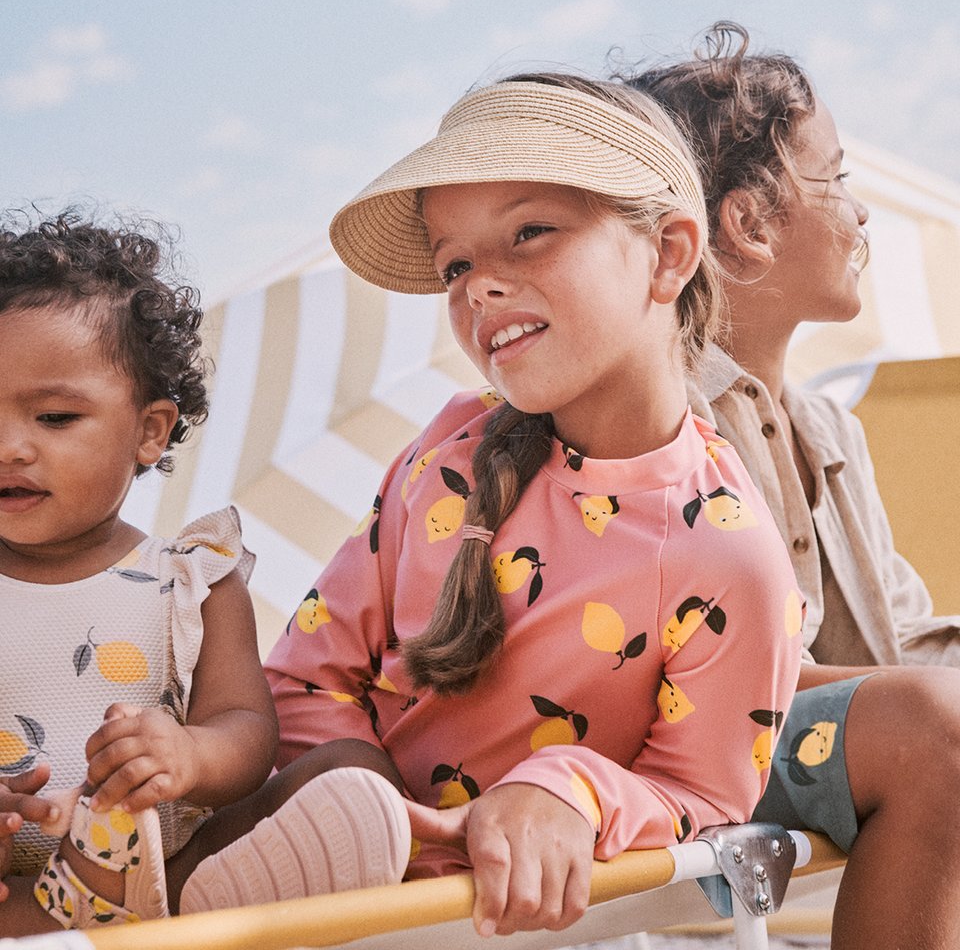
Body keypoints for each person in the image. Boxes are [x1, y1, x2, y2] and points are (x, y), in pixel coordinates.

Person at [174, 74, 802, 939]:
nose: (479, 288)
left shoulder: (735, 557)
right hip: (366, 903)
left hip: (520, 919)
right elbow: (303, 679)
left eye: (530, 234)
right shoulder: (446, 455)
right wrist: (384, 821)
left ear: (668, 253)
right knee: (341, 767)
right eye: (456, 264)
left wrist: (567, 789)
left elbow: (704, 795)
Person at [629, 22, 960, 949]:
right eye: (838, 181)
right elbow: (747, 684)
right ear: (747, 224)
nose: (861, 215)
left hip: (846, 750)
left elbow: (906, 637)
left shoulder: (827, 427)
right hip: (716, 765)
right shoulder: (661, 417)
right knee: (941, 731)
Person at [0, 211, 278, 936]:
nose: (9, 448)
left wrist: (188, 753)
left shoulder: (192, 582)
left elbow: (248, 729)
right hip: (16, 884)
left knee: (340, 767)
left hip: (160, 872)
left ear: (151, 431)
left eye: (55, 417)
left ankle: (192, 894)